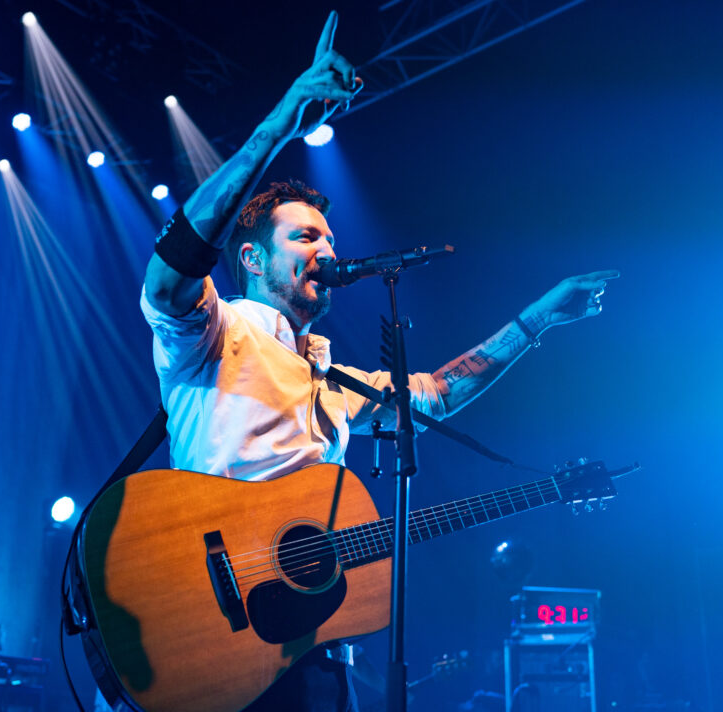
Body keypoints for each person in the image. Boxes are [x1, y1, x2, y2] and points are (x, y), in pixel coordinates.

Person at [141, 11, 617, 712]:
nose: (327, 250)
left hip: (306, 644)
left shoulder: (330, 377)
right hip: (205, 620)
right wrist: (283, 120)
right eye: (305, 237)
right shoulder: (213, 330)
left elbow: (434, 397)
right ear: (251, 258)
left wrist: (539, 318)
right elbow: (174, 265)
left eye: (330, 237)